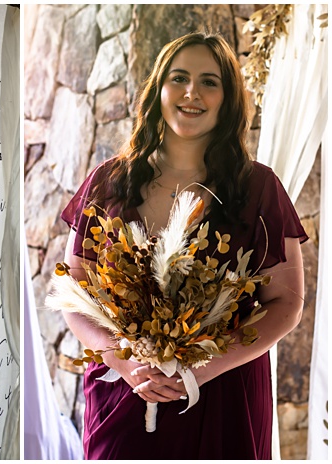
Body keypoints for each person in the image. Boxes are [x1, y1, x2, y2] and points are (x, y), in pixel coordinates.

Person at [59, 32, 306, 459]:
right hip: (127, 395)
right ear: (159, 89)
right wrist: (126, 364)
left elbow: (287, 301)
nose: (192, 92)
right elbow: (73, 289)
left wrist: (201, 369)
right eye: (180, 77)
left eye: (210, 81)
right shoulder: (107, 182)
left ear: (228, 100)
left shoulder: (260, 188)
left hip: (226, 396)